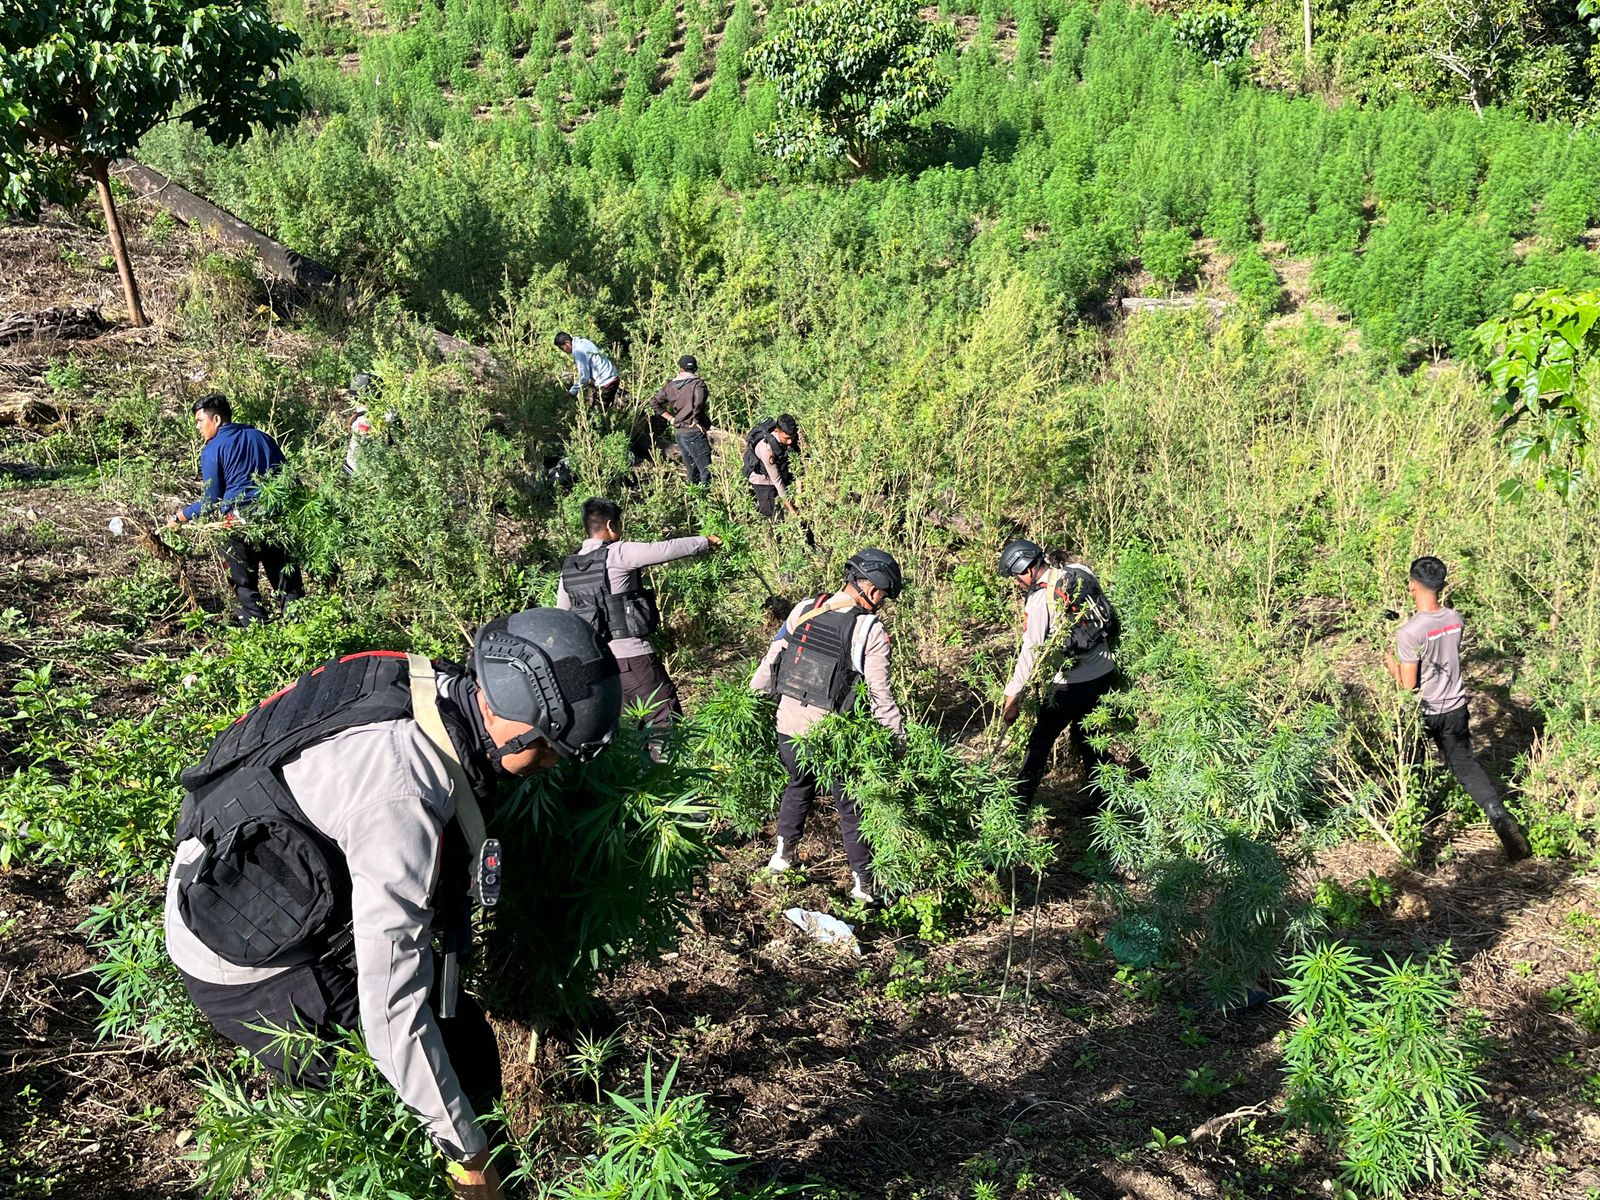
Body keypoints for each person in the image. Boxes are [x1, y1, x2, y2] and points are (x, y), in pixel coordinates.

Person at [164, 608, 621, 1200]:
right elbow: (391, 1009)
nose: (554, 766)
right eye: (555, 751)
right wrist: (467, 1152)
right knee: (379, 1104)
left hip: (274, 888)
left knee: (469, 1053)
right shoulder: (401, 796)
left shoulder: (431, 689)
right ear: (516, 729)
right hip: (250, 966)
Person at [749, 548, 906, 904]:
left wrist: (752, 699)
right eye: (884, 594)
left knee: (797, 785)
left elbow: (773, 657)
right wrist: (898, 740)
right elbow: (881, 695)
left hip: (787, 725)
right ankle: (865, 887)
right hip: (831, 734)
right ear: (872, 587)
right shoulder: (870, 629)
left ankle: (781, 858)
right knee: (851, 806)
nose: (882, 602)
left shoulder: (806, 606)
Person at [1384, 556, 1531, 860]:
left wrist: (1390, 662)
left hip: (1424, 711)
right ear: (1442, 584)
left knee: (1409, 759)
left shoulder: (1408, 633)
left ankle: (1413, 827)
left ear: (1412, 584)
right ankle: (1499, 815)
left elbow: (1408, 685)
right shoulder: (1455, 618)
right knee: (1464, 764)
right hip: (1456, 707)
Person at [557, 497, 720, 733]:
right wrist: (704, 541)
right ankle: (667, 769)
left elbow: (562, 616)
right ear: (611, 525)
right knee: (665, 718)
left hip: (598, 666)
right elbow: (665, 549)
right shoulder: (618, 552)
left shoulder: (569, 568)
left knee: (628, 732)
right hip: (633, 658)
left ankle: (644, 769)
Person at [996, 538, 1120, 804]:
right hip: (1105, 673)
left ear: (1029, 570)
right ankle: (1103, 807)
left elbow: (1031, 653)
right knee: (1091, 741)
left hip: (1070, 684)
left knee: (1040, 741)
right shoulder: (1079, 571)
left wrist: (1013, 696)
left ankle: (1019, 805)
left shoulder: (1041, 601)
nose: (1015, 583)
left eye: (1016, 577)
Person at [168, 393, 304, 625]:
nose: (199, 428)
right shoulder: (262, 438)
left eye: (200, 421)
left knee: (243, 587)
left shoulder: (212, 450)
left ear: (217, 420)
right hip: (274, 520)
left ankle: (258, 636)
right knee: (286, 581)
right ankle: (302, 631)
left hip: (238, 524)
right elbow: (291, 479)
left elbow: (210, 502)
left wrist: (180, 516)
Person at [651, 355, 713, 486]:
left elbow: (654, 402)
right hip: (694, 432)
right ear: (695, 368)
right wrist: (696, 420)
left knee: (692, 473)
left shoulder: (671, 386)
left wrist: (671, 419)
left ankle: (695, 501)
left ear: (680, 369)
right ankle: (706, 500)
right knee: (706, 471)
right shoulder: (698, 384)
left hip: (680, 433)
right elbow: (699, 403)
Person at [743, 413, 800, 519]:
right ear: (777, 431)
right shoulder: (766, 449)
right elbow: (776, 480)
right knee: (774, 515)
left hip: (781, 471)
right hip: (763, 480)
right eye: (786, 438)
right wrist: (791, 508)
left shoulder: (791, 436)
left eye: (792, 437)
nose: (790, 441)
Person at [554, 331, 619, 405]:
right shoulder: (582, 341)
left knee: (599, 412)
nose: (564, 351)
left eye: (562, 348)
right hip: (612, 375)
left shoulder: (578, 351)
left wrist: (572, 392)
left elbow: (584, 377)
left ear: (568, 343)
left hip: (606, 381)